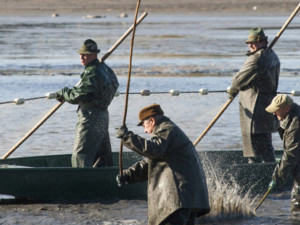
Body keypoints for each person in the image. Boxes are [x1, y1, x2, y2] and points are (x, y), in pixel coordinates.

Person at [115, 103, 210, 225]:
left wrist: (127, 137)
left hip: (180, 197)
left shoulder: (166, 129)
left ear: (152, 121)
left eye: (144, 125)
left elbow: (153, 150)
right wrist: (129, 175)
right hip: (188, 197)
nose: (145, 130)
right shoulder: (169, 131)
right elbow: (152, 161)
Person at [55, 39, 119, 167]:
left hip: (89, 118)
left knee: (81, 154)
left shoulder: (93, 72)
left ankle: (80, 182)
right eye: (81, 54)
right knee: (101, 155)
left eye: (85, 54)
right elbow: (115, 84)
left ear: (95, 55)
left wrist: (64, 93)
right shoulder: (104, 68)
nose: (82, 57)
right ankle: (104, 181)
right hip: (102, 116)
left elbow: (77, 96)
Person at [229, 27, 280, 163]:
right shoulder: (272, 55)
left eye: (254, 42)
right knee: (266, 145)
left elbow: (238, 80)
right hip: (267, 106)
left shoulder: (257, 59)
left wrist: (232, 90)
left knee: (254, 147)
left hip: (255, 110)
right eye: (249, 43)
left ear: (263, 41)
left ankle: (258, 176)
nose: (250, 45)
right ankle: (271, 173)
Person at [266, 94, 300, 215]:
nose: (274, 113)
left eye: (276, 110)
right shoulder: (288, 117)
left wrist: (277, 177)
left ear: (286, 108)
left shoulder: (296, 124)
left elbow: (291, 153)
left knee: (297, 203)